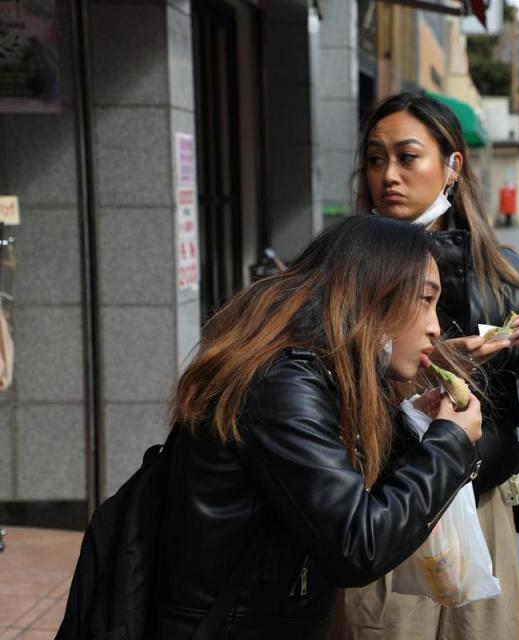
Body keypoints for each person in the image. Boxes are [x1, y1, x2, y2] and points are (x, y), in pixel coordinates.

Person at [148, 215, 483, 639]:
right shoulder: (281, 382)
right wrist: (449, 444)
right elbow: (358, 545)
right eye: (425, 299)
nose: (435, 326)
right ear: (374, 294)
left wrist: (411, 428)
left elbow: (330, 491)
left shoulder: (315, 369)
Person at [337, 92, 519, 640]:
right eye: (376, 158)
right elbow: (311, 388)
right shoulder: (339, 272)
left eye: (408, 157)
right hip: (379, 507)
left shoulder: (504, 275)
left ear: (453, 166)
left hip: (481, 511)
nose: (389, 175)